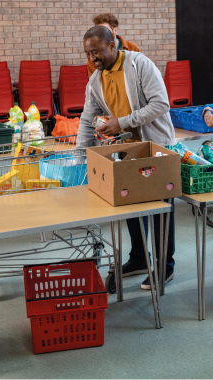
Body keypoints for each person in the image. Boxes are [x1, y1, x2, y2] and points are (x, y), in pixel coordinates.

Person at [75, 26, 176, 289]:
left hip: (156, 148)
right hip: (128, 151)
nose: (92, 58)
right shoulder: (96, 80)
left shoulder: (139, 65)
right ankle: (140, 258)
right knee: (129, 204)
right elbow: (87, 120)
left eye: (96, 52)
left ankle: (165, 266)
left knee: (160, 210)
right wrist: (79, 156)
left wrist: (123, 122)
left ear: (112, 45)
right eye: (88, 53)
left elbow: (161, 104)